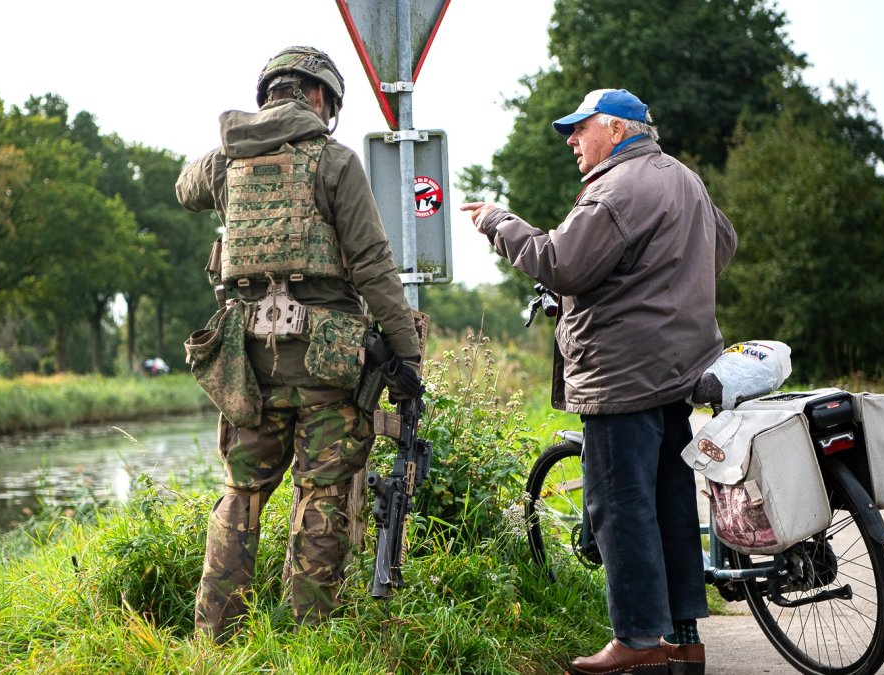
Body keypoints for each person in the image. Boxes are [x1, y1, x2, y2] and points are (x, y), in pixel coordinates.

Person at [462, 88, 736, 675]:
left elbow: (560, 263)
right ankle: (683, 643)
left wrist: (497, 222)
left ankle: (638, 638)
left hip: (622, 378)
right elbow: (724, 244)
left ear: (615, 130)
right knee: (669, 505)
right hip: (677, 372)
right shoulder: (684, 178)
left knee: (621, 507)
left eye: (579, 128)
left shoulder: (615, 190)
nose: (571, 140)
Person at [175, 45, 422, 641]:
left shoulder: (224, 162)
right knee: (323, 494)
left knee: (242, 495)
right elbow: (371, 264)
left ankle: (216, 639)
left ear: (268, 95)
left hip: (246, 369)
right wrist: (407, 353)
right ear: (319, 98)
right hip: (326, 365)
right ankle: (311, 634)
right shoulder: (334, 162)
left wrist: (232, 154)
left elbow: (184, 188)